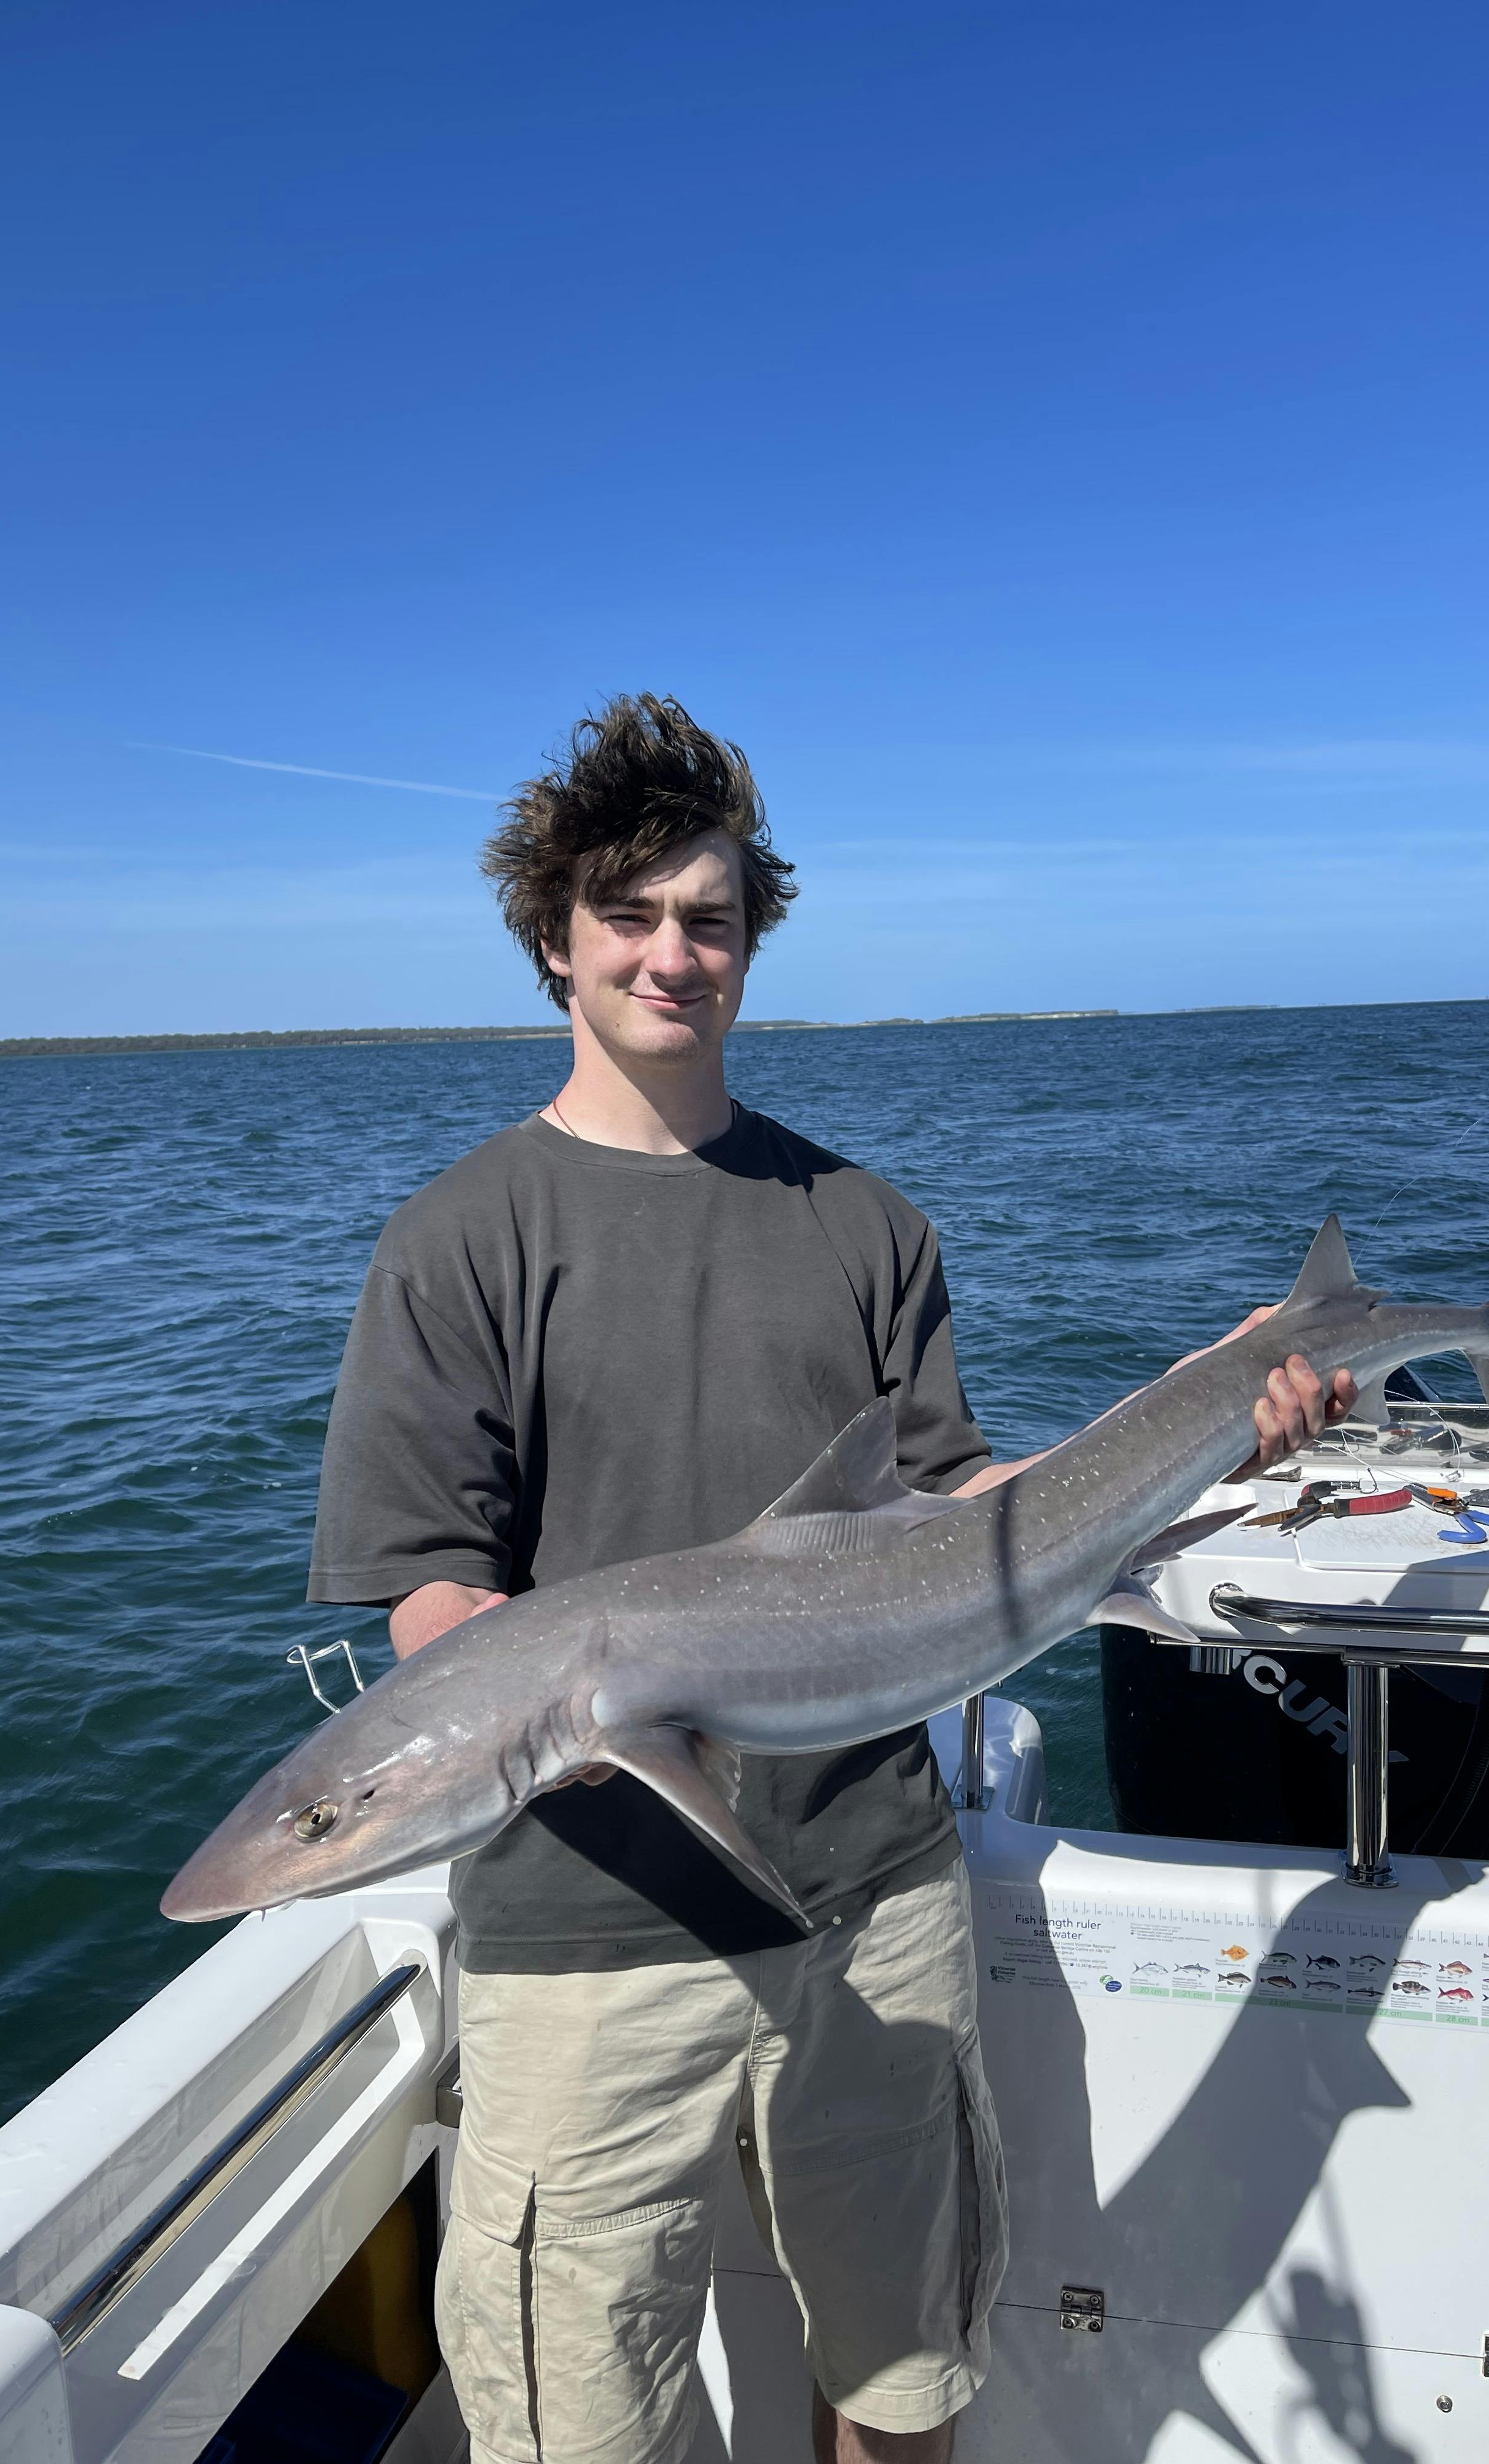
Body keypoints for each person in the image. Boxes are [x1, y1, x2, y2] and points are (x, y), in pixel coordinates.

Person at [307, 694, 1354, 2464]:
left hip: (876, 1890)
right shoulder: (460, 1239)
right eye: (628, 917)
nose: (671, 955)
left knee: (903, 2379)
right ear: (551, 942)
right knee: (579, 2426)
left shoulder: (866, 1223)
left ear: (750, 941)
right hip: (586, 1933)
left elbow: (957, 1512)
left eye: (708, 919)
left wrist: (1212, 1406)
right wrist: (537, 1703)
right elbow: (428, 1594)